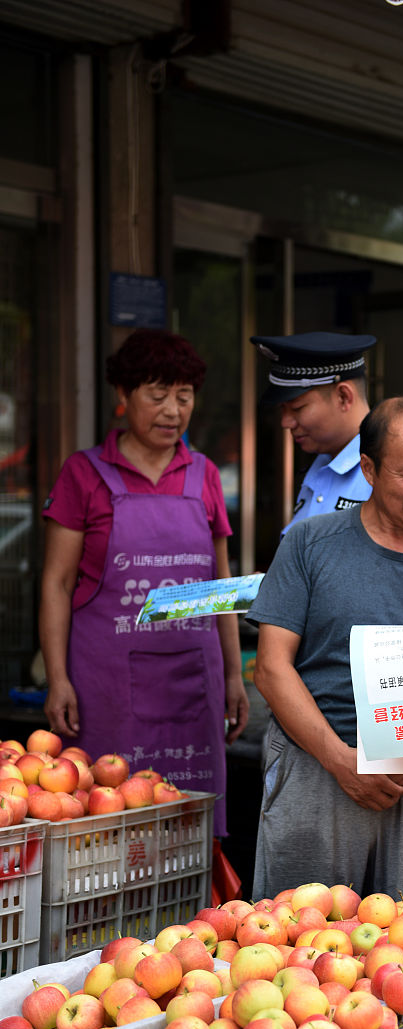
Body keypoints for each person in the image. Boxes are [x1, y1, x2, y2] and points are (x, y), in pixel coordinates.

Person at [246, 396, 403, 906]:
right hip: (316, 777)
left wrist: (401, 769)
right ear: (368, 469)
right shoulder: (310, 544)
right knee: (298, 955)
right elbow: (272, 668)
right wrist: (343, 762)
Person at [39, 329, 249, 837]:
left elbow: (221, 582)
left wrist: (235, 674)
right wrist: (57, 676)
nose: (173, 411)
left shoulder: (204, 475)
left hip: (191, 688)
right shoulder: (84, 473)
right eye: (157, 395)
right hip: (105, 686)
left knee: (187, 825)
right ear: (123, 396)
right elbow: (57, 581)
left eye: (184, 396)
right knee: (104, 823)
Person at [251, 331, 376, 533]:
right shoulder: (323, 465)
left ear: (344, 397)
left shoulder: (390, 472)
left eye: (298, 408)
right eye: (282, 409)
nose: (285, 422)